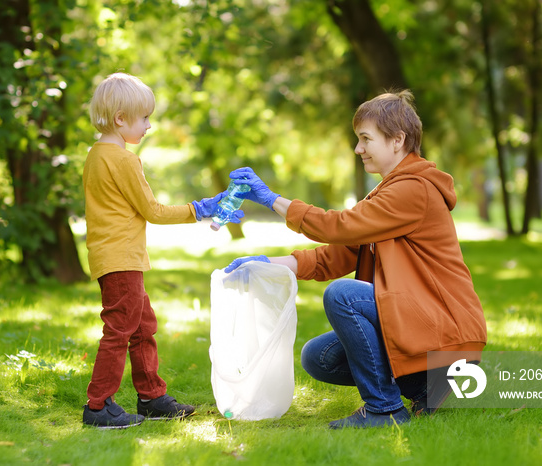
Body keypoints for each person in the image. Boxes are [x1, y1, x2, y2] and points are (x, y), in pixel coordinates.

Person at [224, 90, 487, 429]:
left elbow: (339, 226)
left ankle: (384, 409)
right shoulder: (387, 192)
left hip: (445, 329)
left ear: (397, 141)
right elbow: (334, 256)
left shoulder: (414, 189)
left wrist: (274, 200)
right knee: (318, 357)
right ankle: (425, 389)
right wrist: (264, 265)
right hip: (427, 326)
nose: (358, 148)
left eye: (366, 139)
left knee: (343, 295)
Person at [82, 72, 242, 429]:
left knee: (142, 327)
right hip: (121, 259)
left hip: (113, 257)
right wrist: (199, 209)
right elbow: (152, 211)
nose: (149, 126)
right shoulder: (123, 160)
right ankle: (98, 406)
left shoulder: (96, 155)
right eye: (145, 118)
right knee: (119, 330)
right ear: (121, 119)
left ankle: (151, 396)